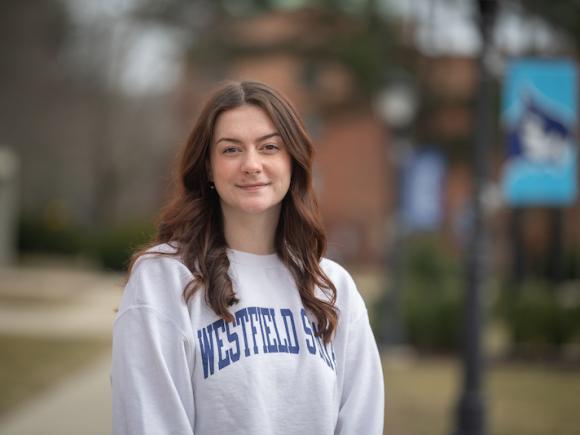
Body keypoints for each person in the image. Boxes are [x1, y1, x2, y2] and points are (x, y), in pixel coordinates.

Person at [111, 80, 384, 435]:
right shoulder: (165, 279)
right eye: (231, 150)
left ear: (292, 162)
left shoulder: (332, 288)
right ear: (208, 167)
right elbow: (150, 423)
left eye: (269, 147)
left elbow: (361, 422)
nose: (251, 164)